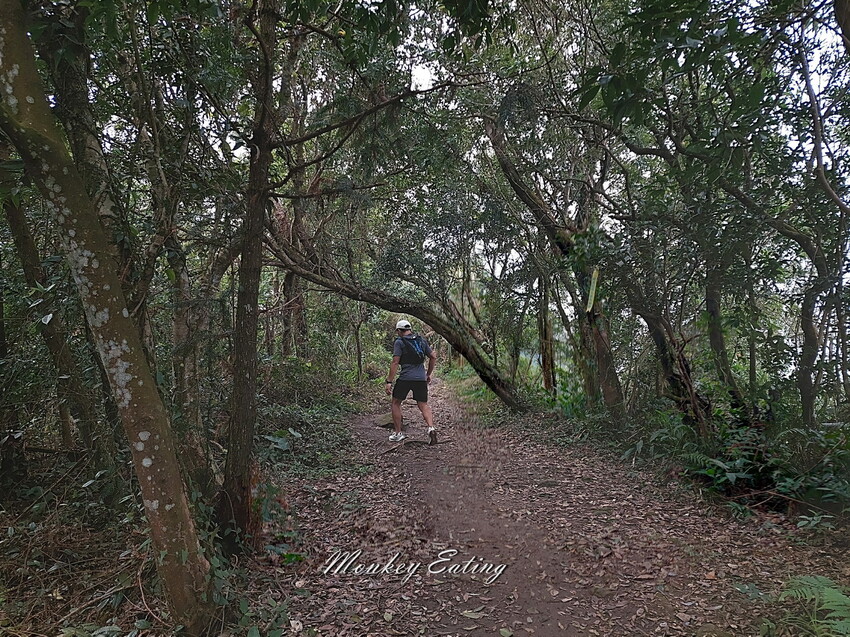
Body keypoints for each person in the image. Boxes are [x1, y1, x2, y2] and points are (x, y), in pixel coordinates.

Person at [385, 319, 437, 444]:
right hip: (420, 379)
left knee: (396, 403)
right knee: (423, 404)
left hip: (405, 378)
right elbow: (433, 356)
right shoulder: (421, 340)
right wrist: (428, 374)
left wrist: (389, 381)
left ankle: (398, 433)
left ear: (399, 331)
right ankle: (431, 428)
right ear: (409, 329)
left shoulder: (399, 342)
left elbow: (395, 362)